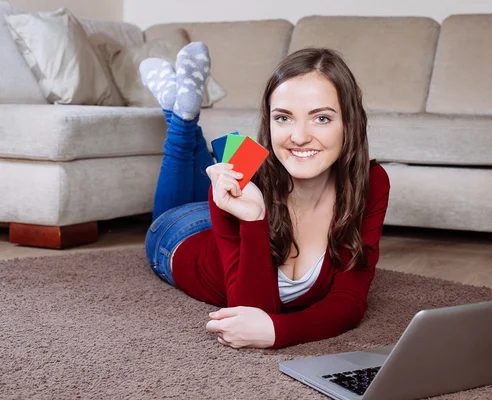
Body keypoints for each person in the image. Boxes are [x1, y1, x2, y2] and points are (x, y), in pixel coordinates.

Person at [142, 43, 390, 349]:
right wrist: (253, 218)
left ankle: (179, 110)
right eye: (283, 118)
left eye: (321, 118)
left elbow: (350, 301)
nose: (299, 137)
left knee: (218, 172)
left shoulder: (370, 182)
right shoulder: (247, 175)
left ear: (349, 123)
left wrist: (279, 330)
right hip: (175, 236)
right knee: (209, 178)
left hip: (219, 215)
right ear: (268, 121)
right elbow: (251, 311)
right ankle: (181, 120)